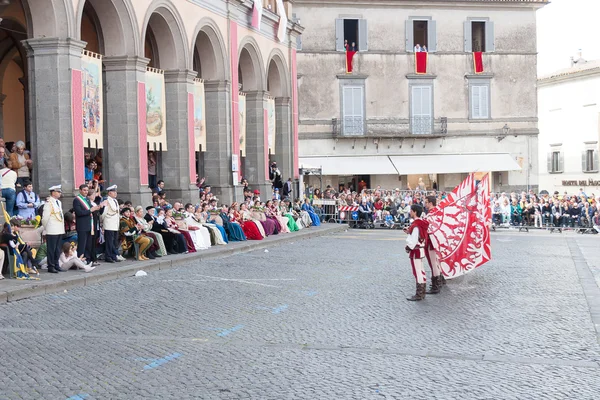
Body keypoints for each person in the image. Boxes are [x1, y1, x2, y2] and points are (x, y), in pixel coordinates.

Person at [73, 184, 104, 263]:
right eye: (84, 190)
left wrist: (99, 206)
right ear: (80, 190)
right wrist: (90, 210)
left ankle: (88, 259)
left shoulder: (86, 199)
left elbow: (93, 209)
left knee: (88, 244)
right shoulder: (77, 200)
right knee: (82, 244)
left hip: (89, 225)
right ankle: (80, 260)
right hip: (82, 225)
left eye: (87, 190)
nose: (86, 192)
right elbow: (79, 212)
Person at [405, 204, 429, 301]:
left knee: (418, 271)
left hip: (416, 250)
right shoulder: (420, 223)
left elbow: (414, 239)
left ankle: (419, 293)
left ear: (415, 212)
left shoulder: (416, 225)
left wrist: (408, 247)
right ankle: (422, 292)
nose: (410, 212)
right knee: (421, 270)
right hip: (420, 249)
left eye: (411, 210)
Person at [42, 184, 65, 273]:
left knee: (58, 248)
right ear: (53, 192)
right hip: (51, 229)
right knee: (51, 249)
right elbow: (45, 218)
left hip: (59, 228)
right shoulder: (49, 203)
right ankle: (50, 266)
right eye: (58, 191)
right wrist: (45, 228)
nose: (60, 193)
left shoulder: (58, 202)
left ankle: (56, 264)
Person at [424, 196, 444, 294]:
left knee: (433, 263)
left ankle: (436, 285)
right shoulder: (438, 212)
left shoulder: (431, 214)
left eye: (426, 202)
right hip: (437, 240)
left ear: (431, 203)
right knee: (436, 262)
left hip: (432, 241)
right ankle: (439, 280)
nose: (425, 204)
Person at [101, 185, 122, 263]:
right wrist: (103, 223)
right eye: (113, 192)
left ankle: (113, 255)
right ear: (109, 193)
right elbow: (104, 213)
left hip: (115, 224)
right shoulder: (107, 201)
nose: (115, 193)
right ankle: (108, 256)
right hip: (109, 223)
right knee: (109, 242)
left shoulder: (115, 201)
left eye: (115, 192)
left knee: (114, 242)